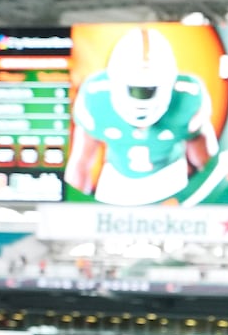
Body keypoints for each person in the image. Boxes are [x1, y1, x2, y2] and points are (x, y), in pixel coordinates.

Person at [65, 26, 219, 206]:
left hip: (170, 177)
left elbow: (207, 166)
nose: (141, 98)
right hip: (117, 180)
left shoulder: (189, 97)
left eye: (149, 89)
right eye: (135, 89)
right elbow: (81, 163)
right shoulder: (95, 96)